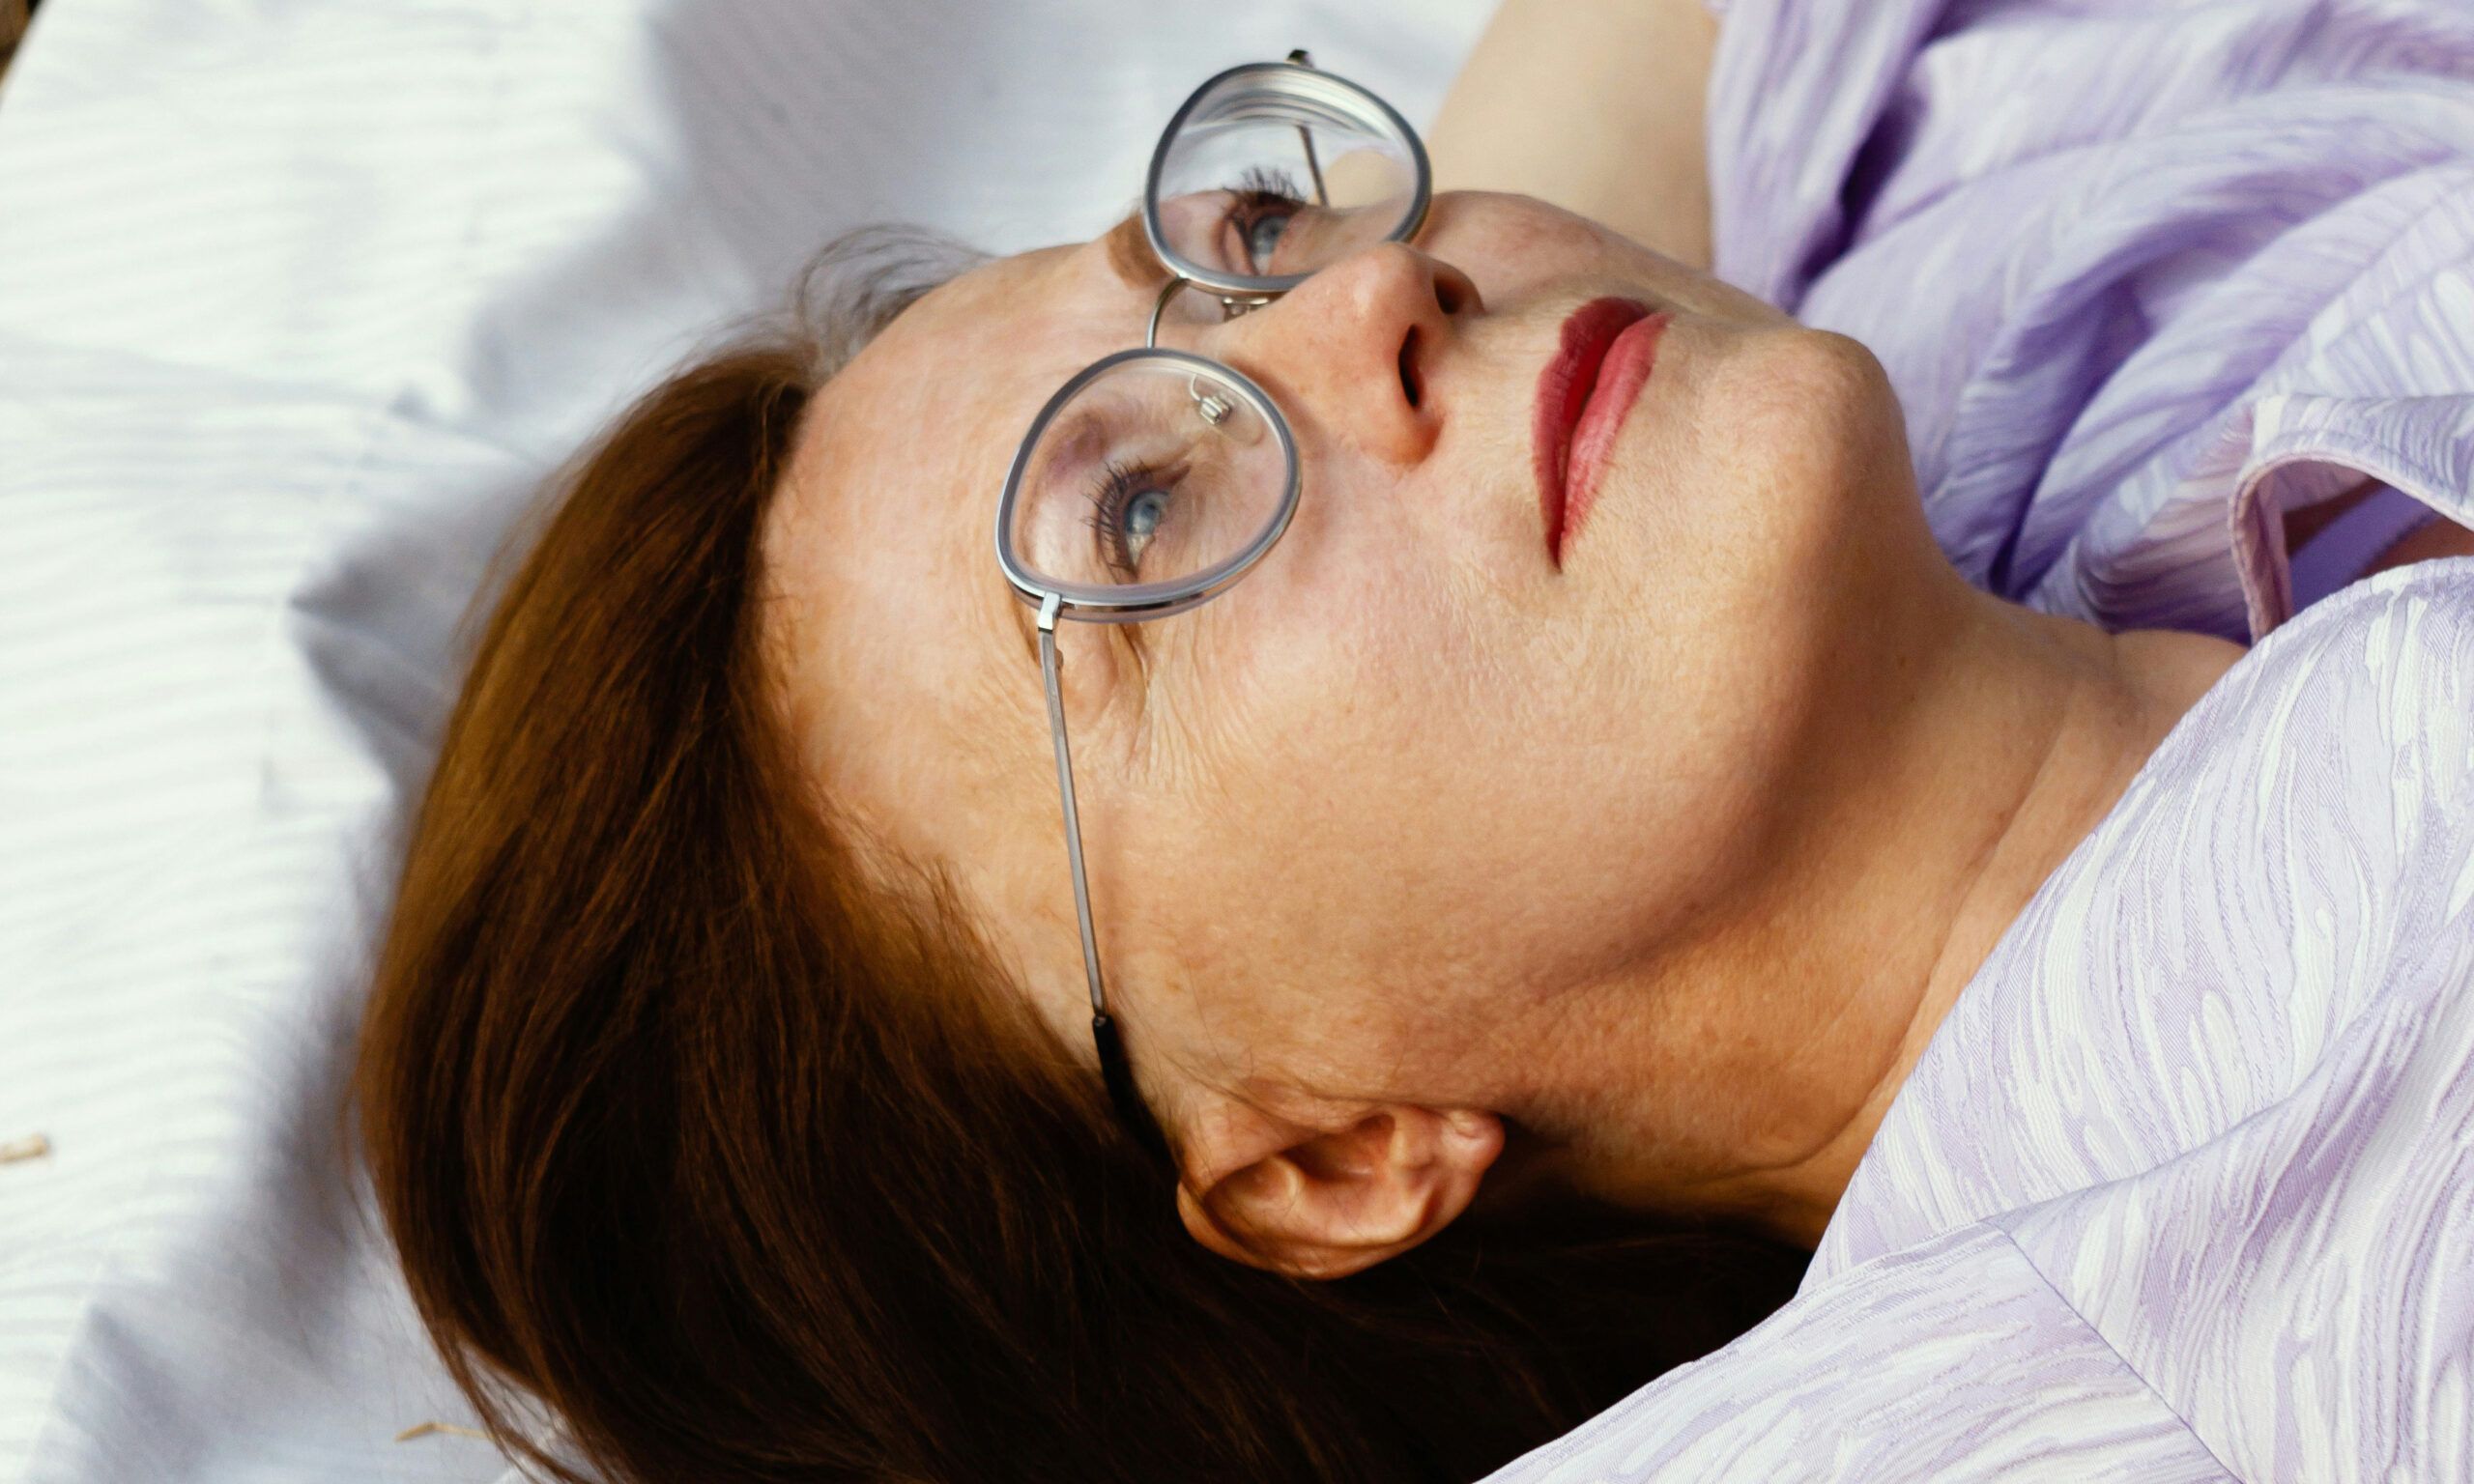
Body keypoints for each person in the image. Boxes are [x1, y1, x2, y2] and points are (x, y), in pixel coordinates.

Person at [353, 4, 2474, 1483]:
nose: (1379, 306)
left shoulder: (1979, 274)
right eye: (1146, 511)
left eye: (1239, 256)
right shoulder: (2173, 1349)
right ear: (1329, 1152)